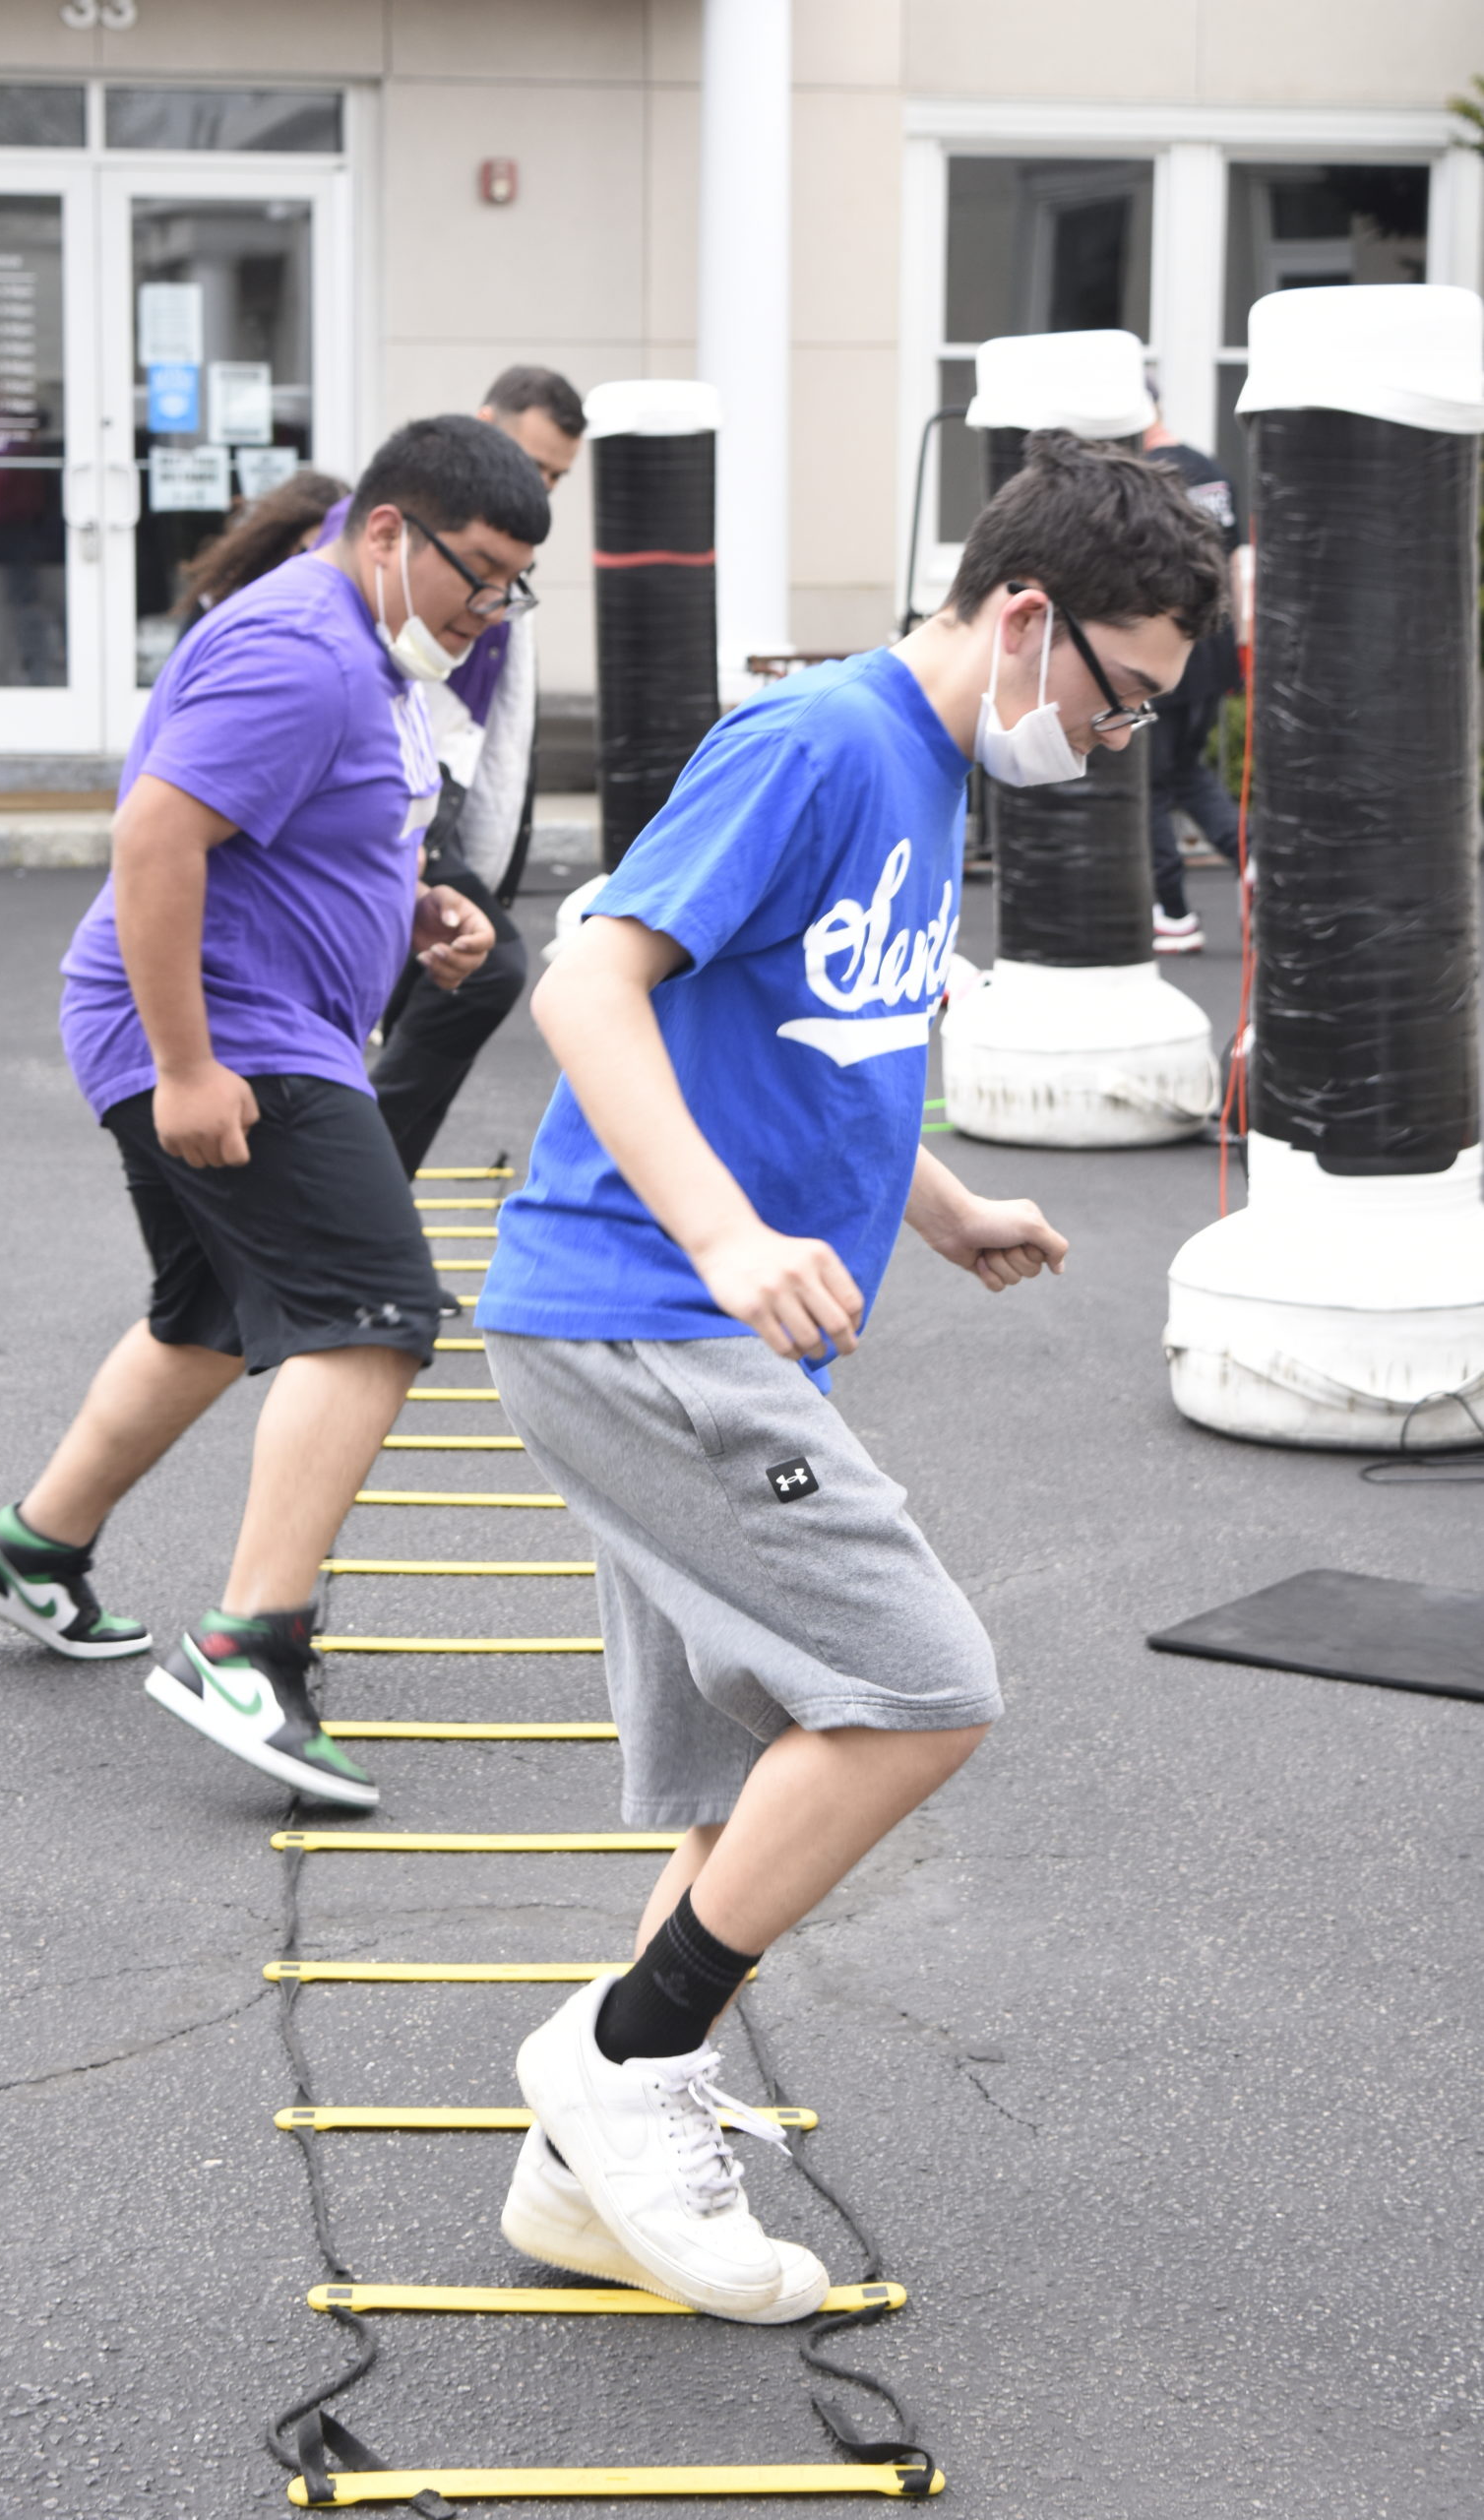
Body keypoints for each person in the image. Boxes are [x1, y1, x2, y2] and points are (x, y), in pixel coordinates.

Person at [476, 433, 1227, 2320]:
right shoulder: (817, 745)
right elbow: (587, 983)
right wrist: (729, 1236)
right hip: (645, 1310)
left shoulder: (930, 769)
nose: (1119, 744)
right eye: (1122, 699)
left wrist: (945, 1203)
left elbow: (822, 1038)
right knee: (916, 1689)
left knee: (750, 1772)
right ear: (1028, 614)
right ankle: (620, 2063)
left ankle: (585, 2180)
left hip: (693, 1323)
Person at [0, 415, 550, 1809]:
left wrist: (413, 909)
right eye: (483, 575)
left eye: (515, 584)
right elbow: (156, 836)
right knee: (374, 1312)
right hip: (231, 1031)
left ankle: (32, 1551)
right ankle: (249, 1649)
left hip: (254, 1019)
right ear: (388, 533)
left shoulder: (356, 646)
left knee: (210, 1313)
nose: (490, 610)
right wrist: (188, 1067)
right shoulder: (302, 648)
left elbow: (289, 832)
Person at [320, 365, 587, 1174]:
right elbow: (156, 834)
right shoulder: (340, 592)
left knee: (434, 980)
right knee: (481, 970)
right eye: (531, 460)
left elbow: (498, 721)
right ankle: (357, 1201)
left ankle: (365, 1207)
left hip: (437, 780)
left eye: (555, 477)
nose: (537, 485)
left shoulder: (496, 564)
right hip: (394, 779)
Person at [1141, 394, 1253, 954]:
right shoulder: (1208, 471)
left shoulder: (1142, 477)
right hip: (1211, 645)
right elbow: (1236, 560)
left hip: (1165, 648)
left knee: (1150, 783)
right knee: (1185, 772)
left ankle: (1174, 913)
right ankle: (1257, 861)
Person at [169, 468, 350, 640]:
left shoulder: (344, 606)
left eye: (336, 553)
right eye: (310, 550)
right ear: (284, 539)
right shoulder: (226, 595)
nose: (321, 563)